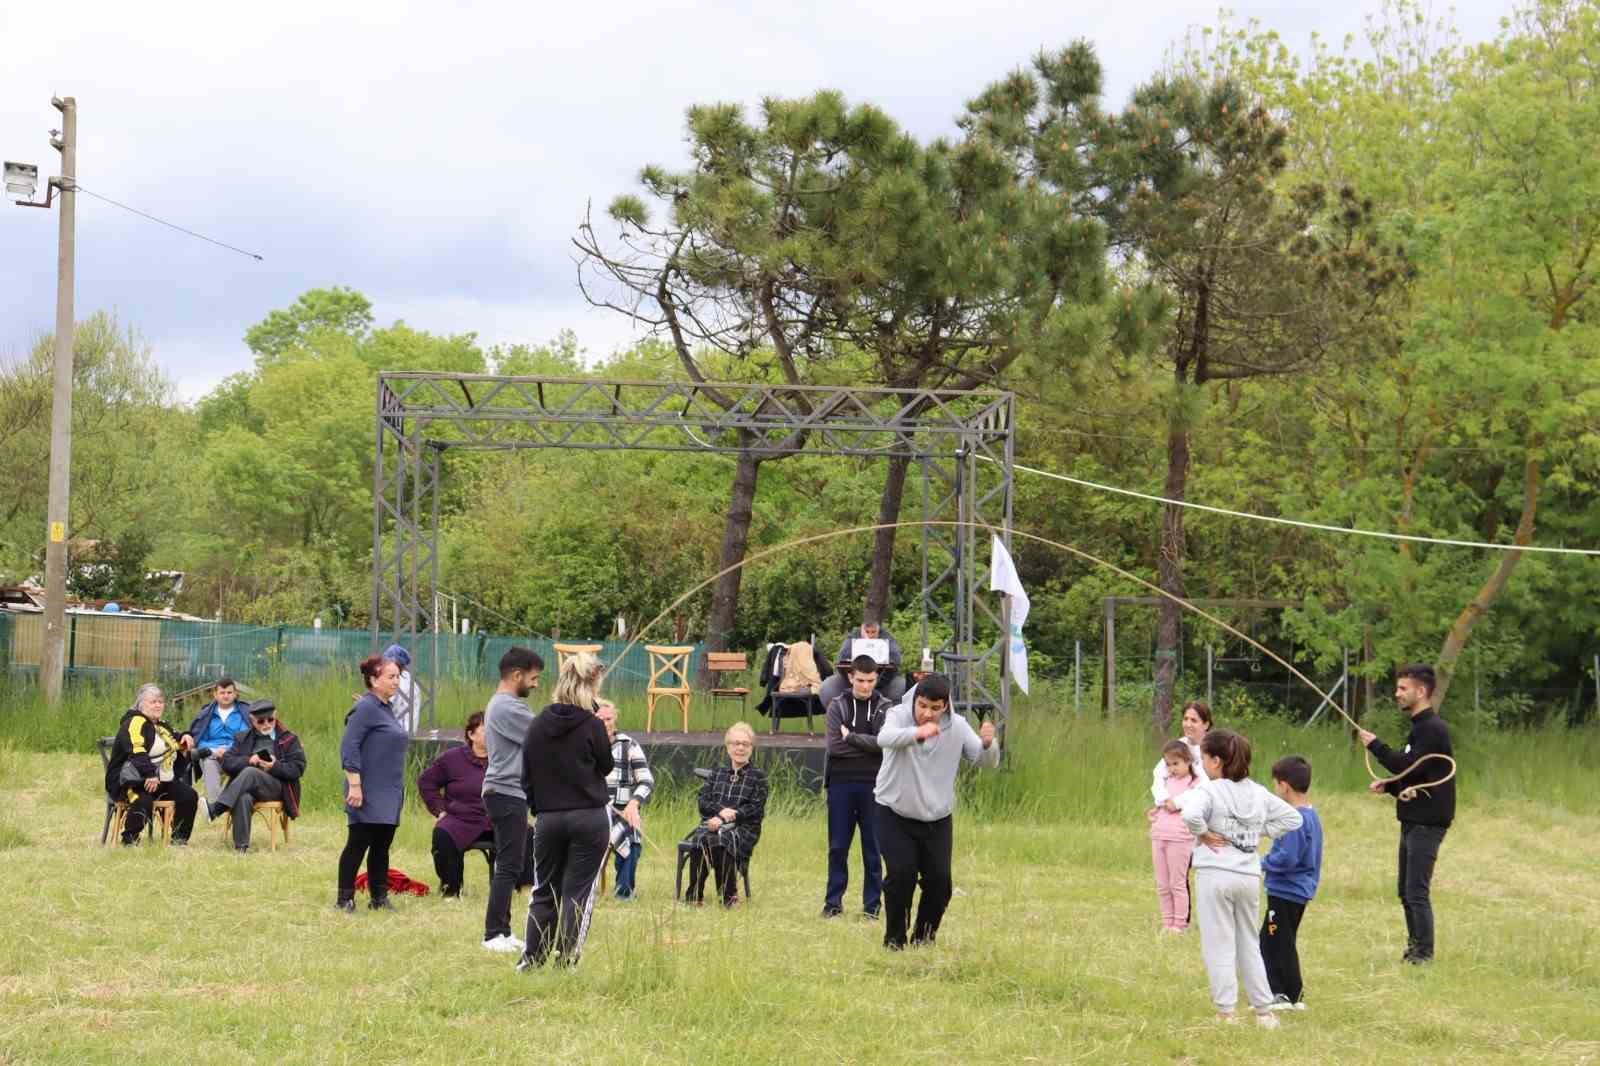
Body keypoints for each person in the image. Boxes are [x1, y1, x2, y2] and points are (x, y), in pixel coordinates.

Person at [1178, 730, 1303, 1028]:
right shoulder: (1259, 792)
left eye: (1204, 759)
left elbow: (1190, 816)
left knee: (1219, 944)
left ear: (1217, 761)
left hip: (1215, 875)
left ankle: (1227, 1012)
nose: (1203, 764)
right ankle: (1264, 1012)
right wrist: (1257, 832)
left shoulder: (1209, 791)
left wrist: (1204, 834)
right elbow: (1293, 818)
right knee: (1249, 942)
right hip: (1248, 876)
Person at [873, 673, 999, 949]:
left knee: (941, 884)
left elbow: (983, 760)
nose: (926, 713)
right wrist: (916, 733)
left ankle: (923, 939)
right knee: (901, 876)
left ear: (946, 706)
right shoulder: (897, 715)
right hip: (893, 811)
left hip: (937, 817)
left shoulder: (958, 726)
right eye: (922, 705)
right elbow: (884, 737)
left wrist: (988, 745)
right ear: (915, 700)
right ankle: (894, 941)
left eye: (934, 708)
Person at [517, 651, 614, 970]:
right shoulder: (592, 724)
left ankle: (532, 958)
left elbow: (526, 774)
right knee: (577, 893)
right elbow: (606, 765)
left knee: (544, 889)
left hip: (549, 818)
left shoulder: (538, 723)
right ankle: (567, 959)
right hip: (589, 817)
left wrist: (538, 809)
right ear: (592, 686)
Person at [1356, 663, 1456, 965]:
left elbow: (1405, 765)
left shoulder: (1433, 729)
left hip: (1428, 820)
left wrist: (1376, 746)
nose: (1397, 694)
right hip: (1413, 818)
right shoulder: (1419, 728)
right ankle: (1414, 949)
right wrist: (1389, 787)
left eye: (1403, 688)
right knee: (1405, 890)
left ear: (1421, 691)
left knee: (1416, 891)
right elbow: (1415, 771)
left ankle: (1423, 955)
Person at [480, 646, 544, 952]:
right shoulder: (509, 708)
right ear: (516, 675)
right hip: (506, 792)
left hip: (506, 792)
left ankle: (503, 931)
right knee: (507, 866)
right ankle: (494, 934)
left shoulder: (502, 705)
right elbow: (545, 736)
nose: (535, 684)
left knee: (511, 863)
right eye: (533, 678)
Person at [336, 654, 409, 913]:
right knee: (358, 843)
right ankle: (344, 898)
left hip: (389, 791)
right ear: (374, 680)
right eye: (391, 676)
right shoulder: (366, 707)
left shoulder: (385, 708)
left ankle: (379, 897)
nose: (396, 681)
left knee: (382, 845)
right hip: (367, 790)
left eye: (398, 676)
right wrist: (355, 785)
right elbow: (349, 747)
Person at [821, 654, 890, 919]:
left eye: (870, 680)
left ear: (876, 679)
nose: (865, 686)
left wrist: (852, 737)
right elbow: (835, 747)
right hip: (841, 784)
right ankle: (833, 903)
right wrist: (868, 744)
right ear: (851, 677)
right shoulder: (837, 705)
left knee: (873, 848)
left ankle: (872, 906)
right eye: (860, 680)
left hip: (875, 786)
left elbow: (885, 745)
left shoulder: (886, 706)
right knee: (838, 846)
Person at [1260, 755, 1323, 1010]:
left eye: (1276, 784)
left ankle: (1281, 993)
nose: (1276, 789)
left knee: (1273, 941)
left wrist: (1262, 863)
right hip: (1298, 891)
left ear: (1284, 786)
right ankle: (1293, 994)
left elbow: (1288, 858)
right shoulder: (1311, 815)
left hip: (1286, 891)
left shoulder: (1294, 819)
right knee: (1278, 939)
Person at [683, 722, 768, 908]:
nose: (740, 748)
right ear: (728, 747)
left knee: (723, 838)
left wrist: (729, 816)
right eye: (736, 743)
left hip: (745, 828)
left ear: (751, 748)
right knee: (702, 838)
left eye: (745, 744)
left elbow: (755, 809)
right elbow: (703, 802)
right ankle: (694, 896)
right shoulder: (717, 773)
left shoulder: (758, 776)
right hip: (712, 823)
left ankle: (728, 897)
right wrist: (720, 812)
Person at [105, 683, 198, 845]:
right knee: (144, 800)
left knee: (189, 796)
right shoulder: (134, 722)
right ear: (141, 704)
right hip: (129, 781)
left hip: (159, 780)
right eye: (153, 702)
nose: (158, 705)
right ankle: (129, 840)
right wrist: (149, 774)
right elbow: (136, 750)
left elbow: (176, 737)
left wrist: (186, 736)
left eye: (160, 702)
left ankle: (179, 840)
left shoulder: (161, 724)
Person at [209, 700, 306, 852]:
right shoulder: (241, 738)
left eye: (270, 719)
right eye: (261, 721)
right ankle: (241, 848)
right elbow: (227, 763)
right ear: (252, 721)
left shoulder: (289, 739)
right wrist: (249, 760)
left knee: (250, 772)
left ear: (275, 716)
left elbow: (298, 769)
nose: (266, 724)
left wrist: (275, 766)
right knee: (243, 797)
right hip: (248, 787)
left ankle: (216, 808)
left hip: (278, 787)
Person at [417, 712, 493, 897]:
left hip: (496, 818)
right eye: (486, 730)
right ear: (471, 734)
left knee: (526, 832)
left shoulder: (504, 759)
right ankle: (451, 888)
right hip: (461, 818)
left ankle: (522, 888)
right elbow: (426, 782)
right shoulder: (452, 759)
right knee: (443, 833)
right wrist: (440, 810)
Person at [597, 700, 654, 900]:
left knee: (632, 834)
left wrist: (633, 803)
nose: (605, 723)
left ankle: (624, 891)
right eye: (600, 719)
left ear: (616, 719)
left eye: (609, 718)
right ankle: (584, 890)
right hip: (594, 813)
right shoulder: (584, 746)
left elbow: (646, 781)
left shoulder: (629, 745)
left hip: (623, 812)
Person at [1149, 738, 1199, 932]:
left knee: (1177, 883)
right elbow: (1160, 802)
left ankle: (1179, 924)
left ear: (1188, 761)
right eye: (1169, 764)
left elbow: (1192, 804)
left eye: (1176, 763)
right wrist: (1156, 810)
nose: (1172, 768)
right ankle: (1167, 922)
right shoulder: (1165, 782)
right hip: (1160, 834)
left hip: (1180, 838)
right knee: (1162, 883)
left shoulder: (1196, 783)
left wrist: (1176, 803)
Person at [186, 677, 252, 814]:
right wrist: (214, 750)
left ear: (235, 694)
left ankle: (217, 809)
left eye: (229, 692)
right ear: (215, 694)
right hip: (212, 754)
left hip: (237, 754)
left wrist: (229, 750)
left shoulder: (244, 713)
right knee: (208, 760)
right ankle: (215, 804)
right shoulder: (205, 714)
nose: (226, 696)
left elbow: (246, 737)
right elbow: (199, 740)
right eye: (222, 693)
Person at [818, 616, 906, 709]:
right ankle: (840, 717)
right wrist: (862, 644)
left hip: (883, 684)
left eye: (873, 632)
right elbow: (842, 657)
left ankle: (888, 719)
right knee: (828, 686)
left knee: (902, 685)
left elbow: (896, 659)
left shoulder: (887, 637)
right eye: (867, 631)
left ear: (879, 629)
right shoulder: (854, 636)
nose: (870, 635)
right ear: (862, 628)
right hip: (853, 683)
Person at [1151, 700, 1213, 804]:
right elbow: (1158, 773)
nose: (1188, 724)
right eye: (1185, 719)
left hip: (1200, 807)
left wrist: (1177, 803)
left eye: (1194, 720)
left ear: (1206, 725)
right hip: (1170, 802)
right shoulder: (1179, 745)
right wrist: (1163, 799)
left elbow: (1207, 785)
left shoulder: (1212, 749)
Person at [384, 644, 418, 733]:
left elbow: (388, 707)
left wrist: (367, 705)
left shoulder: (400, 682)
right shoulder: (408, 679)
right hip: (404, 729)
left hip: (399, 730)